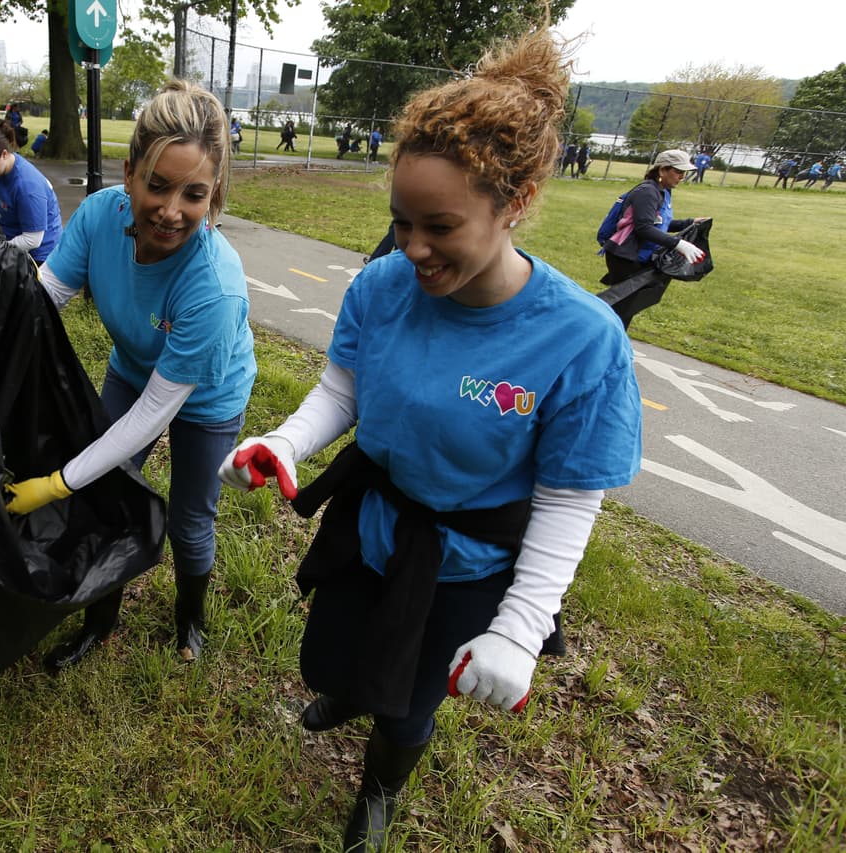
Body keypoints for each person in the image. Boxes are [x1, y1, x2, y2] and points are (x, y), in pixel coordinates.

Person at [218, 29, 642, 852]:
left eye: (438, 225)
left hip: (463, 565)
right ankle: (348, 692)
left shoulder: (582, 340)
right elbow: (344, 385)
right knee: (330, 656)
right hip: (373, 523)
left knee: (410, 702)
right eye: (401, 221)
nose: (411, 247)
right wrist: (286, 440)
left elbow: (566, 497)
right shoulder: (385, 282)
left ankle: (379, 789)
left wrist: (520, 627)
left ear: (514, 201)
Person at [2, 80, 257, 669]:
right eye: (158, 185)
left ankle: (190, 616)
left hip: (206, 396)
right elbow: (43, 303)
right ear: (130, 171)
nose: (171, 211)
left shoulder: (214, 285)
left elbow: (152, 416)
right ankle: (102, 618)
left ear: (213, 192)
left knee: (191, 518)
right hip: (132, 370)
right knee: (110, 496)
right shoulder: (97, 215)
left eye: (194, 194)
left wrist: (58, 481)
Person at [597, 148, 709, 322]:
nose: (682, 176)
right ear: (662, 170)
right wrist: (679, 244)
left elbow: (659, 224)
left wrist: (689, 222)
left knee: (626, 308)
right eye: (678, 171)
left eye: (684, 172)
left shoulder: (662, 191)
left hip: (638, 256)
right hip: (626, 257)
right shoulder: (648, 192)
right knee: (620, 308)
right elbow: (644, 227)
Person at [0, 121, 62, 265]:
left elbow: (32, 239)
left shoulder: (28, 187)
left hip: (41, 257)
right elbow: (3, 210)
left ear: (4, 154)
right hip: (16, 247)